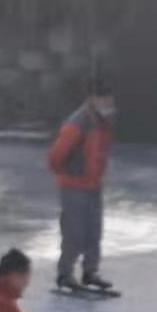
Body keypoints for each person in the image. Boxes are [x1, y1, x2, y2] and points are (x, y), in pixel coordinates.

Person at [47, 78, 116, 292]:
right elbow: (56, 156)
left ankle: (90, 272)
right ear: (93, 100)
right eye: (105, 101)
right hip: (74, 185)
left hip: (93, 185)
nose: (109, 105)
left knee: (94, 231)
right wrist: (69, 174)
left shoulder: (103, 122)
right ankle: (65, 275)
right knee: (74, 232)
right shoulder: (77, 123)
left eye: (111, 101)